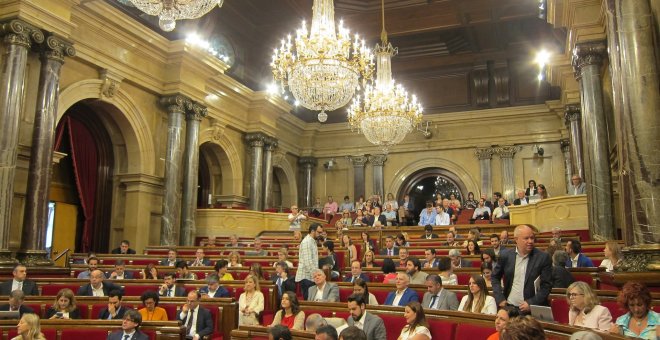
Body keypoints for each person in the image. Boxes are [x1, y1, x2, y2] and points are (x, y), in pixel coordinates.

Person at [491, 224, 552, 313]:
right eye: (526, 238)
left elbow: (546, 286)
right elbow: (495, 277)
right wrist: (499, 297)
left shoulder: (543, 257)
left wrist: (531, 302)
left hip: (531, 309)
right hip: (509, 307)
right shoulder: (505, 255)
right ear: (516, 239)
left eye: (532, 238)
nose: (530, 241)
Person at [297, 223, 323, 300]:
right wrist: (317, 276)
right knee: (309, 301)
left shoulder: (312, 241)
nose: (320, 234)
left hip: (310, 276)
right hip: (307, 277)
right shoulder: (307, 242)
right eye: (319, 232)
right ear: (312, 231)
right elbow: (308, 263)